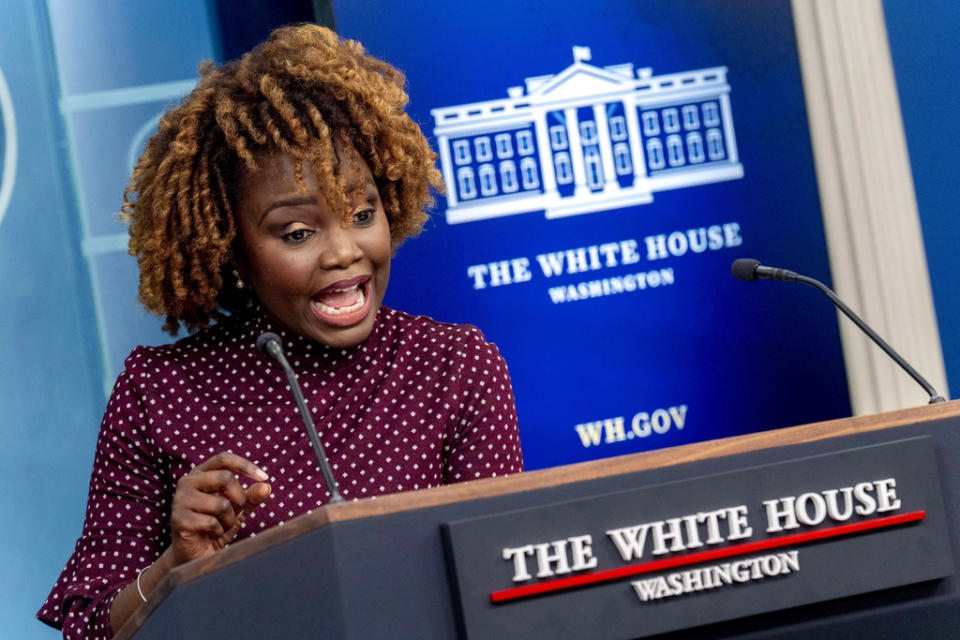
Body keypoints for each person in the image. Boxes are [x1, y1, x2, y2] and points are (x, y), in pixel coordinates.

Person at [37, 24, 523, 639]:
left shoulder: (454, 366)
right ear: (233, 250)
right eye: (297, 233)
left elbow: (506, 581)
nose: (345, 251)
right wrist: (174, 567)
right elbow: (87, 629)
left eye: (363, 213)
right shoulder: (157, 393)